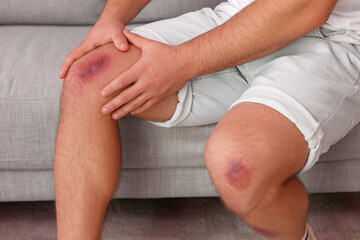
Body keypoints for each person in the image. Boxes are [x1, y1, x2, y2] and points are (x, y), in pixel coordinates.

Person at [54, 0, 360, 239]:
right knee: (88, 77)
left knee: (238, 167)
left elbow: (308, 7)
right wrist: (112, 17)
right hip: (237, 17)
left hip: (335, 39)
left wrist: (182, 62)